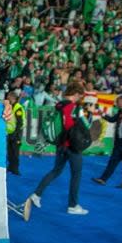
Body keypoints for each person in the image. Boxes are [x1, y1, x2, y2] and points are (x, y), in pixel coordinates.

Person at [28, 82, 90, 215]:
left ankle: (37, 194)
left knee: (56, 171)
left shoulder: (58, 105)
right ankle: (73, 205)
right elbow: (83, 125)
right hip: (72, 147)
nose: (79, 99)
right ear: (76, 94)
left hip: (60, 145)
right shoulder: (74, 107)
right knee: (76, 175)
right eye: (79, 96)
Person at [92, 94, 122, 189]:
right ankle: (103, 179)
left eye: (118, 102)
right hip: (119, 142)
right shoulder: (120, 111)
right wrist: (101, 113)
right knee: (112, 161)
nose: (116, 104)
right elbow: (111, 120)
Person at [6, 91, 24, 175]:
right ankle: (10, 166)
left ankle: (16, 168)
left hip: (17, 134)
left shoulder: (18, 108)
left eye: (8, 96)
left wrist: (15, 134)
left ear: (12, 97)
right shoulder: (10, 106)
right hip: (9, 132)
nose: (7, 98)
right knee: (10, 151)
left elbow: (20, 123)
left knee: (15, 152)